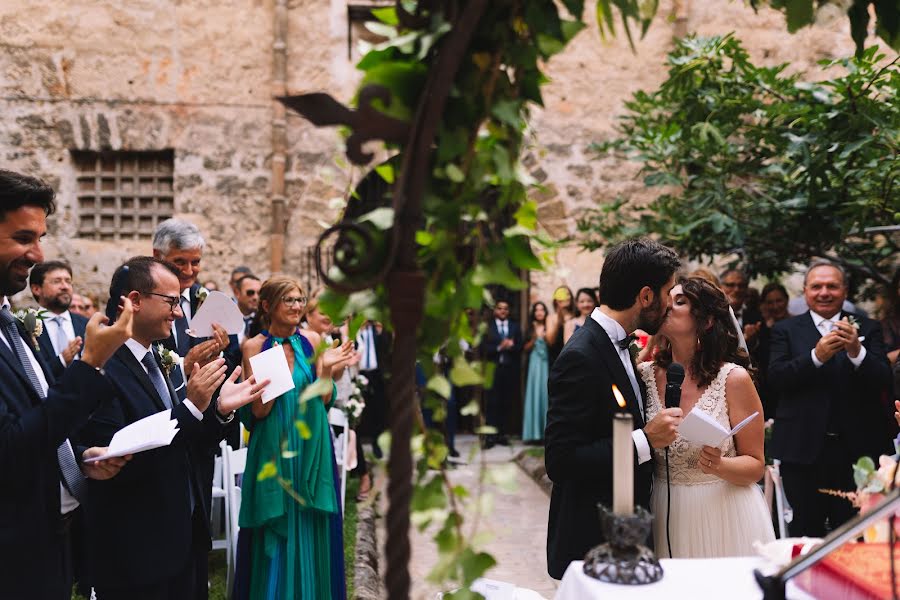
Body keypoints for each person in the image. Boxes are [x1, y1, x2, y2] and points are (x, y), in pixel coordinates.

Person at [77, 256, 268, 600]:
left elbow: (190, 442)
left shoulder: (163, 358)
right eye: (171, 302)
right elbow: (116, 457)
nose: (179, 313)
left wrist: (220, 409)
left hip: (185, 536)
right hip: (137, 549)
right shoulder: (102, 366)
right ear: (134, 301)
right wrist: (191, 406)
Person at [0, 169, 133, 599]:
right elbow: (9, 451)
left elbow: (37, 417)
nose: (38, 253)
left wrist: (78, 458)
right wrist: (91, 364)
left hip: (48, 545)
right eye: (24, 238)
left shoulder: (12, 324)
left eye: (40, 237)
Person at [545, 238, 683, 579]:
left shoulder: (618, 345)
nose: (669, 304)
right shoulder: (582, 355)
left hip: (626, 535)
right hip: (593, 539)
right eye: (668, 293)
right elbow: (560, 460)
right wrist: (644, 440)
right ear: (646, 296)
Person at [235, 276, 353, 599]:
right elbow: (257, 413)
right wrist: (270, 381)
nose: (297, 306)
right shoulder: (253, 346)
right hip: (272, 447)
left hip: (311, 447)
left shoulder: (312, 341)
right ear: (267, 306)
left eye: (300, 300)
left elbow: (324, 400)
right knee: (276, 531)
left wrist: (327, 371)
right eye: (288, 300)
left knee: (310, 523)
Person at [640, 277, 775, 557]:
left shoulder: (733, 379)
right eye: (668, 298)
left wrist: (720, 465)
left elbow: (756, 465)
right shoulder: (645, 375)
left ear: (707, 321)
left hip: (724, 513)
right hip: (664, 509)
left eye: (680, 301)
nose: (668, 306)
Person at [769, 260, 893, 537]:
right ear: (805, 291)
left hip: (857, 450)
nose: (824, 292)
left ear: (844, 291)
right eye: (817, 286)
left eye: (832, 286)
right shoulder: (784, 330)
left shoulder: (869, 328)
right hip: (802, 450)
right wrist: (817, 357)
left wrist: (856, 351)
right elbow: (776, 380)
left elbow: (884, 379)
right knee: (805, 530)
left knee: (856, 530)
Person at [28, 260, 88, 379]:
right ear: (36, 289)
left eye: (68, 281)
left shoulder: (86, 324)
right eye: (57, 281)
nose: (65, 287)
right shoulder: (26, 327)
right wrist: (62, 360)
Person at [483, 299, 522, 448]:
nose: (503, 311)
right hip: (493, 370)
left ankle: (502, 435)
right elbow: (483, 348)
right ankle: (490, 437)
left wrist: (512, 346)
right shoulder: (488, 328)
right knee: (492, 403)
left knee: (506, 403)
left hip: (509, 369)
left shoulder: (515, 327)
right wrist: (500, 346)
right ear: (495, 311)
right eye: (500, 308)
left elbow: (520, 346)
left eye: (505, 308)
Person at [753, 283, 791, 417]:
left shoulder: (798, 324)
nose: (775, 306)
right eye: (770, 302)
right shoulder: (759, 329)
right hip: (766, 391)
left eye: (779, 300)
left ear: (787, 300)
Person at [522, 301, 549, 443]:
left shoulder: (549, 326)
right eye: (537, 310)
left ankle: (545, 433)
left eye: (542, 310)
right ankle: (533, 434)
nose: (539, 312)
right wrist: (535, 338)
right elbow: (525, 348)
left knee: (545, 395)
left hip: (546, 364)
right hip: (534, 364)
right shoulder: (530, 328)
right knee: (533, 395)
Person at [545, 286, 574, 368]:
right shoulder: (551, 318)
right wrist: (559, 319)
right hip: (556, 359)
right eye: (563, 294)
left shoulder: (576, 316)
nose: (567, 297)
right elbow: (550, 341)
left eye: (568, 294)